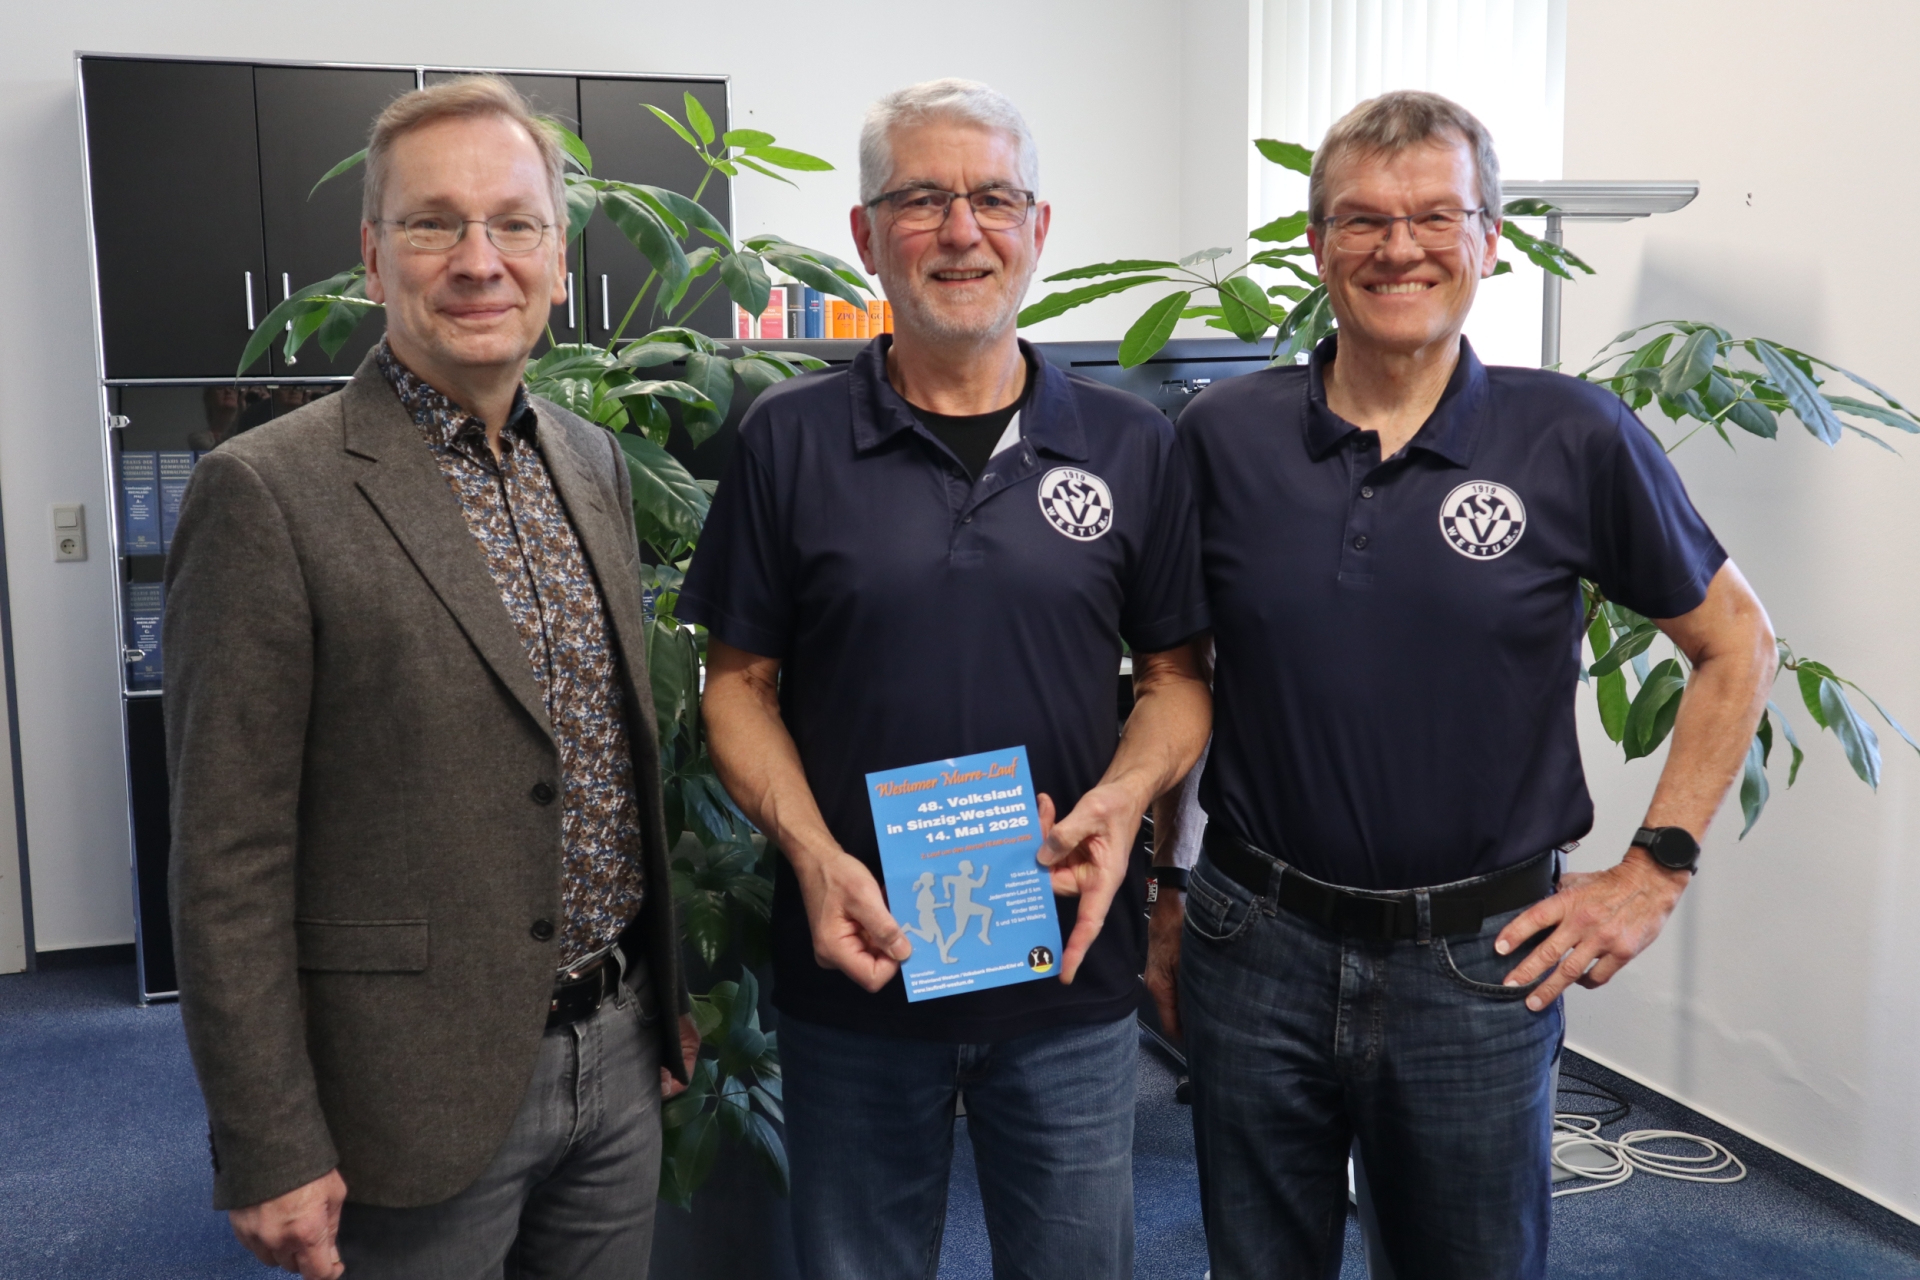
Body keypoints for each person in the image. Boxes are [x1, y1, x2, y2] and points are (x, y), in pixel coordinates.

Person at [1148, 90, 1777, 1280]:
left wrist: (1655, 872)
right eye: (1363, 220)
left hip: (1478, 961)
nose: (1400, 247)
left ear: (1489, 237)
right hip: (1253, 938)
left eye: (1438, 215)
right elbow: (1182, 674)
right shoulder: (1218, 436)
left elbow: (1737, 642)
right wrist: (1170, 896)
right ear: (1318, 242)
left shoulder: (1573, 436)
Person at [680, 78, 1213, 1280]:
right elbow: (737, 683)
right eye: (922, 199)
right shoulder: (790, 439)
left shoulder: (1135, 444)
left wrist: (1123, 801)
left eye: (991, 197)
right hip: (859, 968)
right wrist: (816, 856)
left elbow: (1179, 677)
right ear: (867, 235)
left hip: (1070, 975)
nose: (961, 229)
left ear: (1038, 225)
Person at [165, 76, 696, 1280]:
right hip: (408, 1093)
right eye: (432, 222)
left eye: (514, 223)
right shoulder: (267, 494)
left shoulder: (594, 461)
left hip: (614, 1059)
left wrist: (661, 1002)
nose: (478, 258)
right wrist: (267, 1138)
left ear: (559, 257)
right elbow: (225, 856)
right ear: (370, 254)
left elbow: (614, 755)